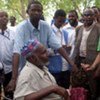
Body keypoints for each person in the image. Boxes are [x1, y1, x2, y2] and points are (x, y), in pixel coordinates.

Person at [7, 1, 75, 93]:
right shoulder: (21, 28)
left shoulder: (45, 26)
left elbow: (58, 47)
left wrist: (72, 63)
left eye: (39, 10)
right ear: (27, 12)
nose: (36, 13)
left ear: (42, 13)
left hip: (43, 69)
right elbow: (16, 53)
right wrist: (14, 78)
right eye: (33, 10)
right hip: (26, 71)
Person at [74, 8, 100, 99]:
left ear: (94, 16)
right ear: (82, 16)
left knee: (94, 88)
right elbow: (76, 47)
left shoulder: (98, 28)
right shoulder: (78, 29)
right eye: (86, 15)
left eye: (90, 15)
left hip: (94, 64)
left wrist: (97, 68)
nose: (88, 17)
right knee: (81, 89)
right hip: (80, 62)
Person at [48, 9, 70, 88]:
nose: (61, 23)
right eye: (59, 21)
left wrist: (67, 48)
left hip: (66, 67)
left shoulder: (65, 33)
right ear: (54, 18)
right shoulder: (48, 31)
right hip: (53, 67)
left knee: (66, 89)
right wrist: (57, 49)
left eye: (63, 21)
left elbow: (67, 51)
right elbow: (44, 50)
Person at [0, 11, 16, 99]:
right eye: (1, 16)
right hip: (0, 70)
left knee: (10, 93)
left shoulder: (13, 34)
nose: (4, 17)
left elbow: (16, 52)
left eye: (6, 16)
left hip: (11, 70)